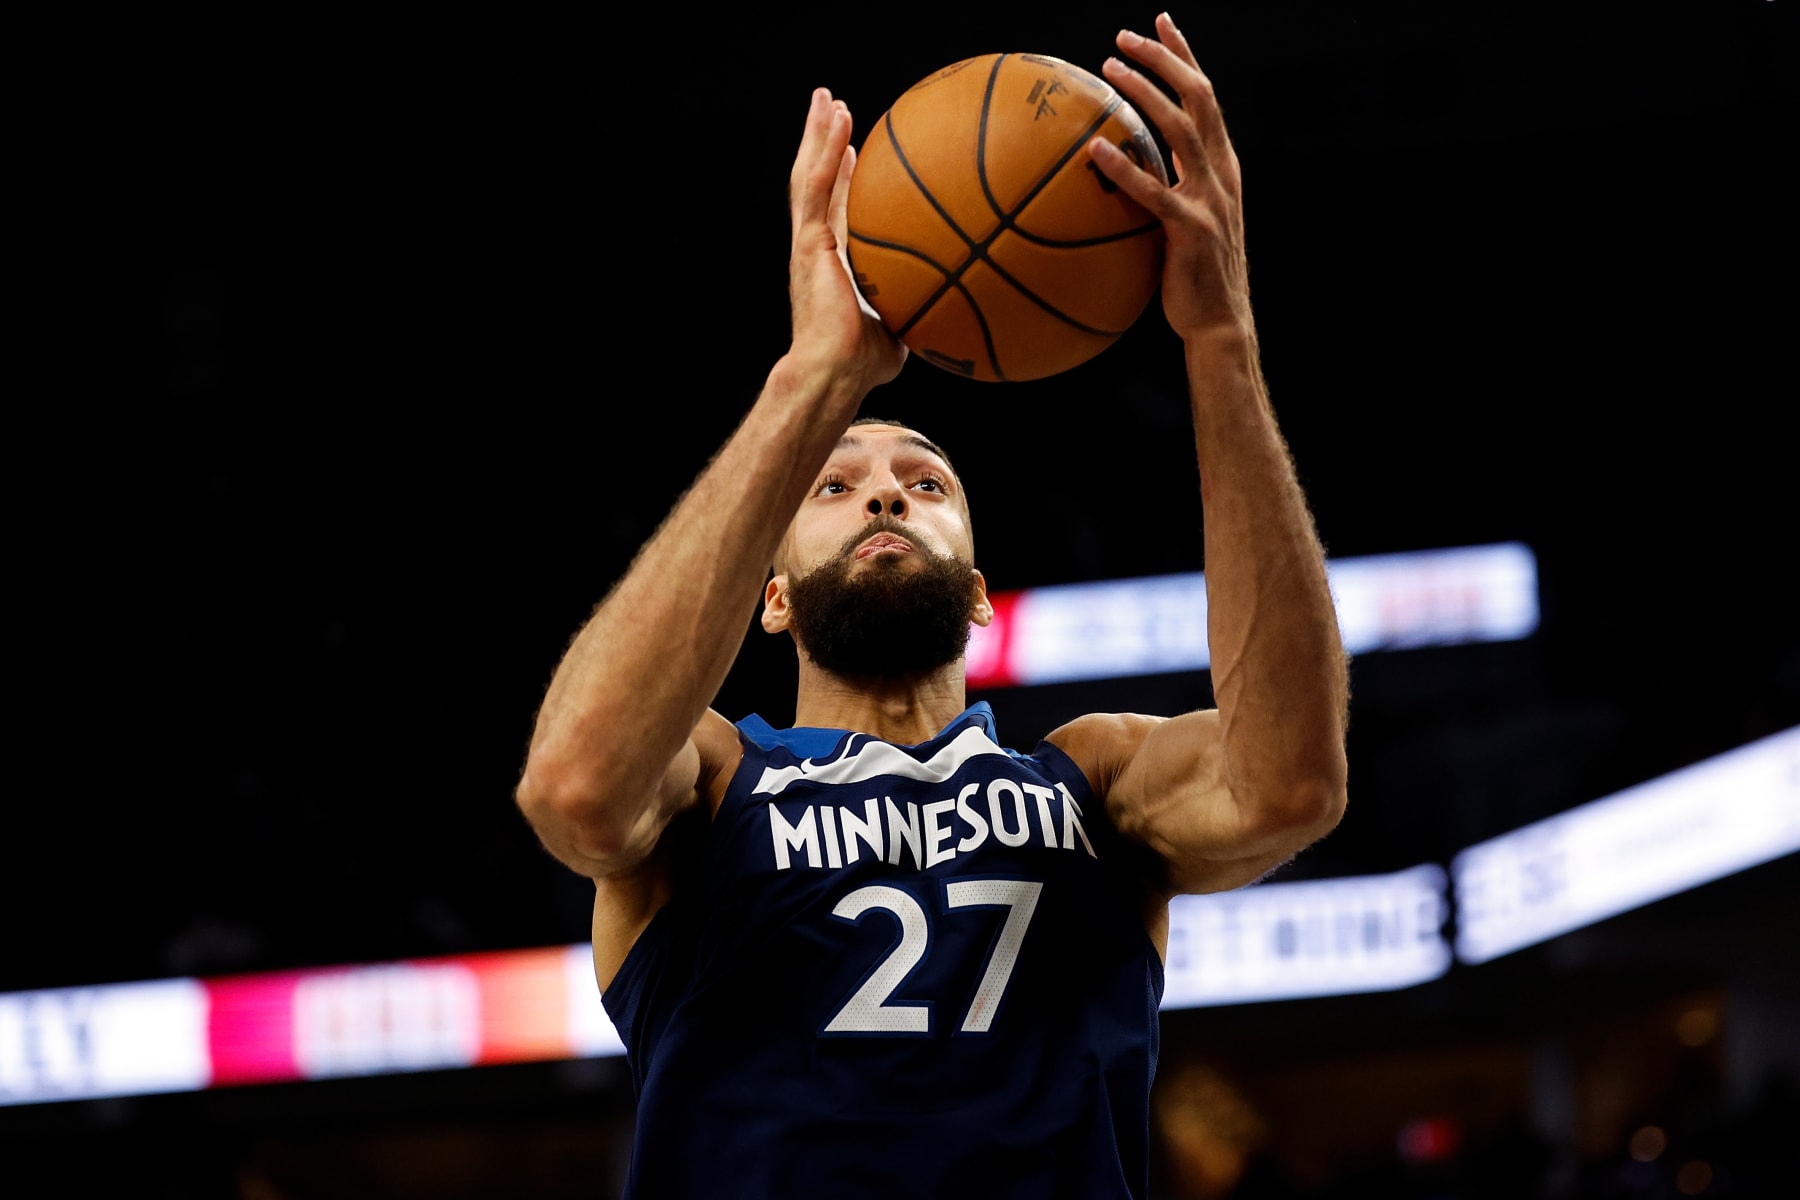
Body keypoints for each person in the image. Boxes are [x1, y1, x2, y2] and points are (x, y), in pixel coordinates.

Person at [515, 13, 1348, 1199]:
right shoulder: (712, 783)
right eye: (835, 485)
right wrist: (817, 376)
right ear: (772, 600)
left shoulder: (1093, 783)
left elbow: (1292, 785)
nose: (885, 496)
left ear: (976, 593)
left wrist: (1221, 341)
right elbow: (574, 786)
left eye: (926, 482)